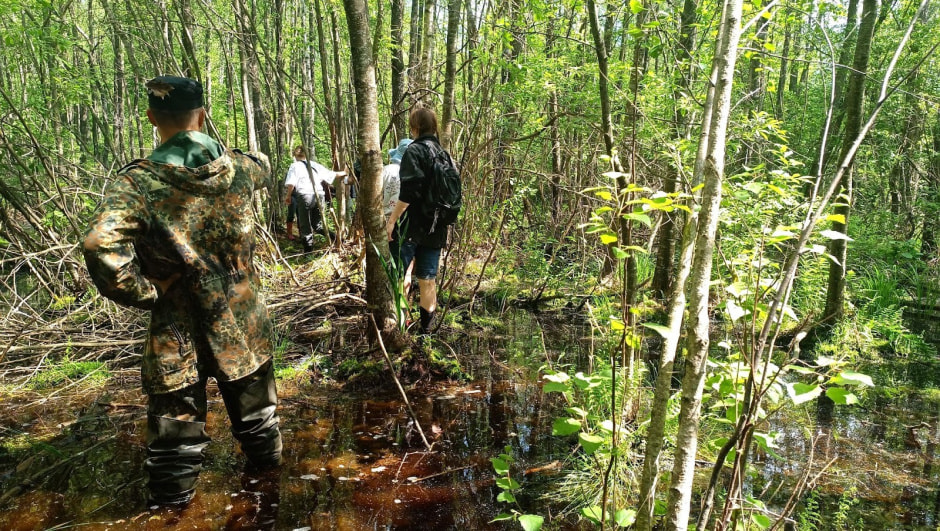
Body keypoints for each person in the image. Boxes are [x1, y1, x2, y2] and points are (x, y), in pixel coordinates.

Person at [83, 75, 282, 507]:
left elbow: (99, 246)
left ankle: (171, 517)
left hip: (177, 330)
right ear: (203, 114)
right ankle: (270, 506)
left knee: (175, 449)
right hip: (242, 323)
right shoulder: (241, 169)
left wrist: (145, 291)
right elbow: (264, 163)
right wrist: (222, 151)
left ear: (152, 117)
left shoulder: (138, 183)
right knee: (259, 425)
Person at [385, 108, 448, 334]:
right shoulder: (443, 154)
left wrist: (392, 220)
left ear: (416, 127)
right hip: (437, 227)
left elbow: (409, 192)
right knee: (427, 280)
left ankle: (399, 328)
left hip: (412, 225)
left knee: (398, 275)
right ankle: (426, 334)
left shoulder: (414, 150)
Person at [283, 146, 345, 251]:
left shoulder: (294, 166)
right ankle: (337, 238)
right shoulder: (314, 165)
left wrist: (288, 196)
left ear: (295, 156)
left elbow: (291, 183)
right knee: (317, 224)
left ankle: (308, 252)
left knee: (305, 226)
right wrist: (344, 172)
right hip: (319, 195)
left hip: (304, 195)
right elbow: (331, 174)